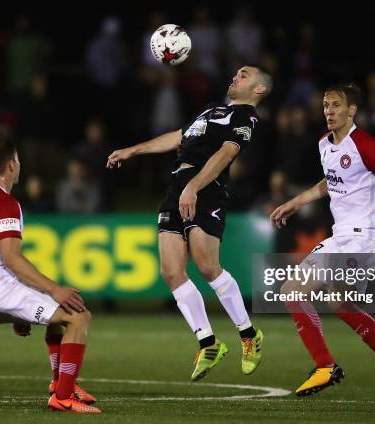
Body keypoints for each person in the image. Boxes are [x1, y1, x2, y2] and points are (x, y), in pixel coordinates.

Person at [107, 65, 272, 381]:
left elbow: (226, 153)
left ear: (259, 89)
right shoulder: (212, 110)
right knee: (170, 271)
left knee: (207, 265)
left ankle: (249, 335)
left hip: (205, 187)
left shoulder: (246, 118)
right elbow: (178, 136)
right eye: (235, 72)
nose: (235, 75)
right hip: (177, 186)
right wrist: (133, 150)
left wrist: (194, 187)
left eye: (245, 74)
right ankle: (208, 343)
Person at [270, 83, 375, 401]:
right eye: (326, 105)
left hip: (363, 238)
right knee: (339, 303)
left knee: (292, 291)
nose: (329, 111)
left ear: (352, 110)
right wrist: (296, 201)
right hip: (346, 237)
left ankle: (325, 366)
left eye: (336, 105)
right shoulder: (325, 144)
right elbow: (331, 180)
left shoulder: (365, 144)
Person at [0, 137, 100, 413]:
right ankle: (62, 396)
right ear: (12, 165)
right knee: (78, 315)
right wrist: (53, 289)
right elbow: (12, 259)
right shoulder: (4, 202)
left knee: (58, 318)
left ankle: (60, 383)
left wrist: (17, 310)